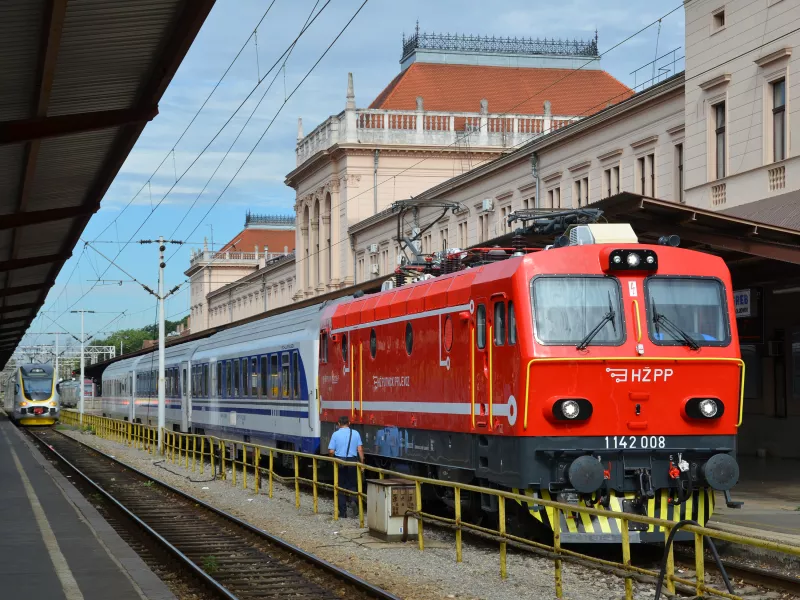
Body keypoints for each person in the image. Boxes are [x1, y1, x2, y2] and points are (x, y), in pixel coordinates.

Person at [328, 415, 364, 518]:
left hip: (339, 461)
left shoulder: (335, 434)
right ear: (349, 423)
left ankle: (343, 512)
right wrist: (362, 463)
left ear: (338, 424)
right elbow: (360, 449)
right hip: (352, 461)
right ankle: (353, 501)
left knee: (340, 486)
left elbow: (331, 450)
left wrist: (332, 458)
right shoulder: (356, 433)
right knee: (352, 484)